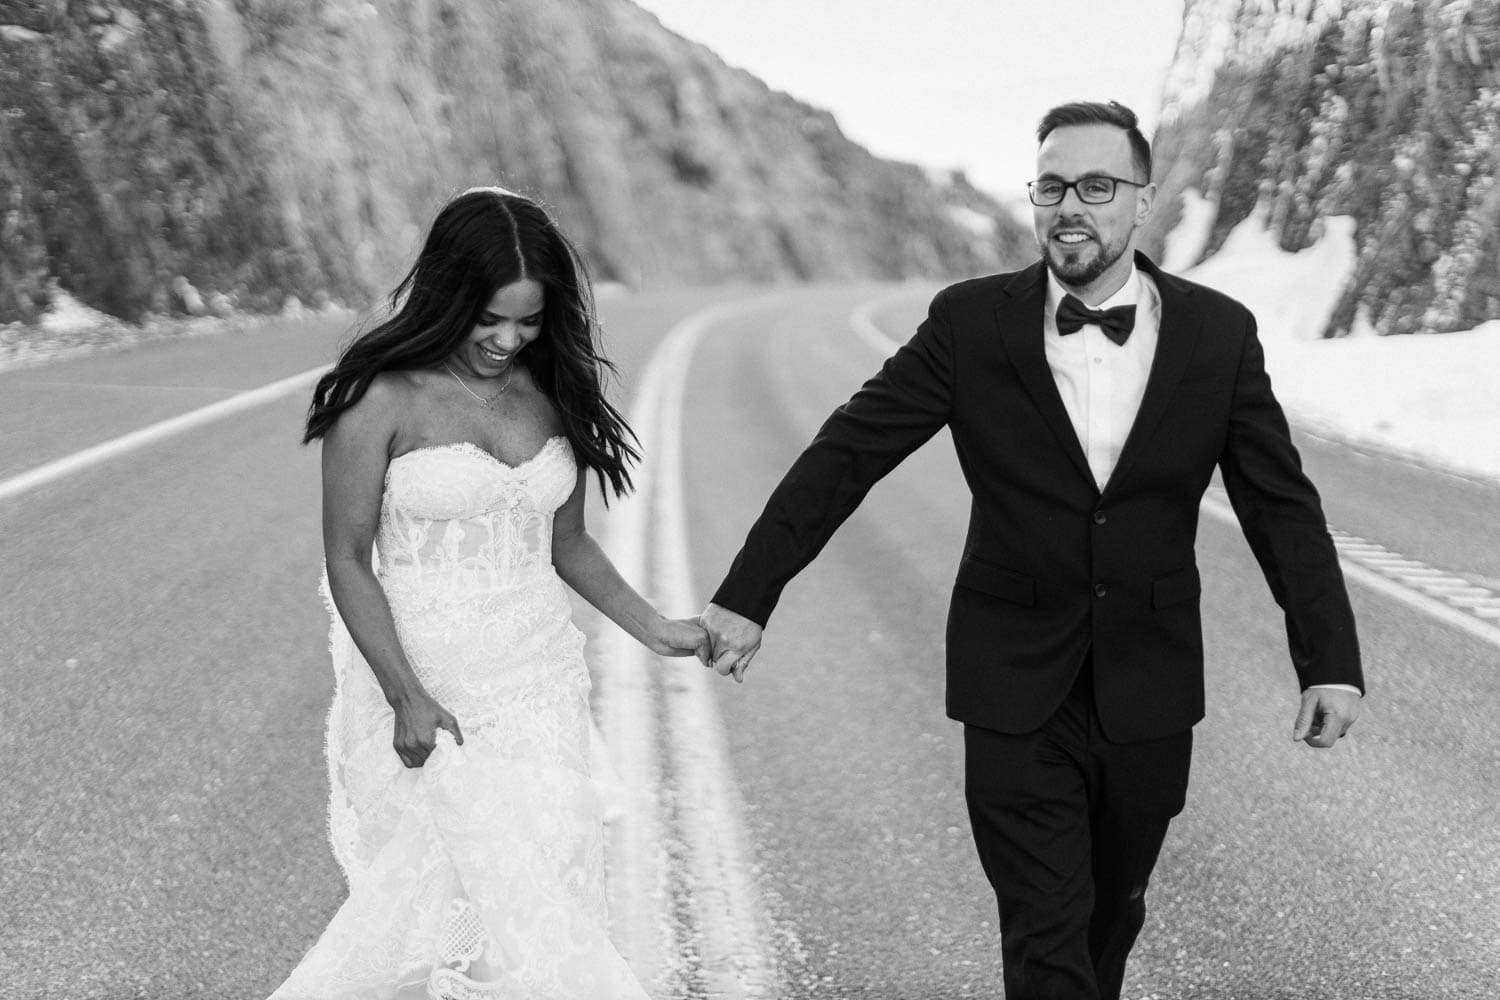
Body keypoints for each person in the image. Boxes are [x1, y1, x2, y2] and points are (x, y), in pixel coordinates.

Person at [699, 101, 1364, 1000]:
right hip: (1014, 683)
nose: (1070, 207)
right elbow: (847, 454)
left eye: (1096, 185)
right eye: (1051, 186)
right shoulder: (971, 324)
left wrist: (1329, 659)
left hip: (1150, 686)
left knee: (1108, 920)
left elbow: (1280, 507)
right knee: (1045, 933)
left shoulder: (1217, 334)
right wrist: (750, 592)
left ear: (1144, 200)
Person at [269, 187, 706, 1000]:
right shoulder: (381, 398)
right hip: (428, 692)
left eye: (530, 321)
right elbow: (347, 558)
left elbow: (566, 544)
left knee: (543, 902)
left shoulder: (549, 395)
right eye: (491, 319)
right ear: (449, 295)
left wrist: (657, 629)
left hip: (539, 687)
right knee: (429, 917)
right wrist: (407, 696)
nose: (510, 340)